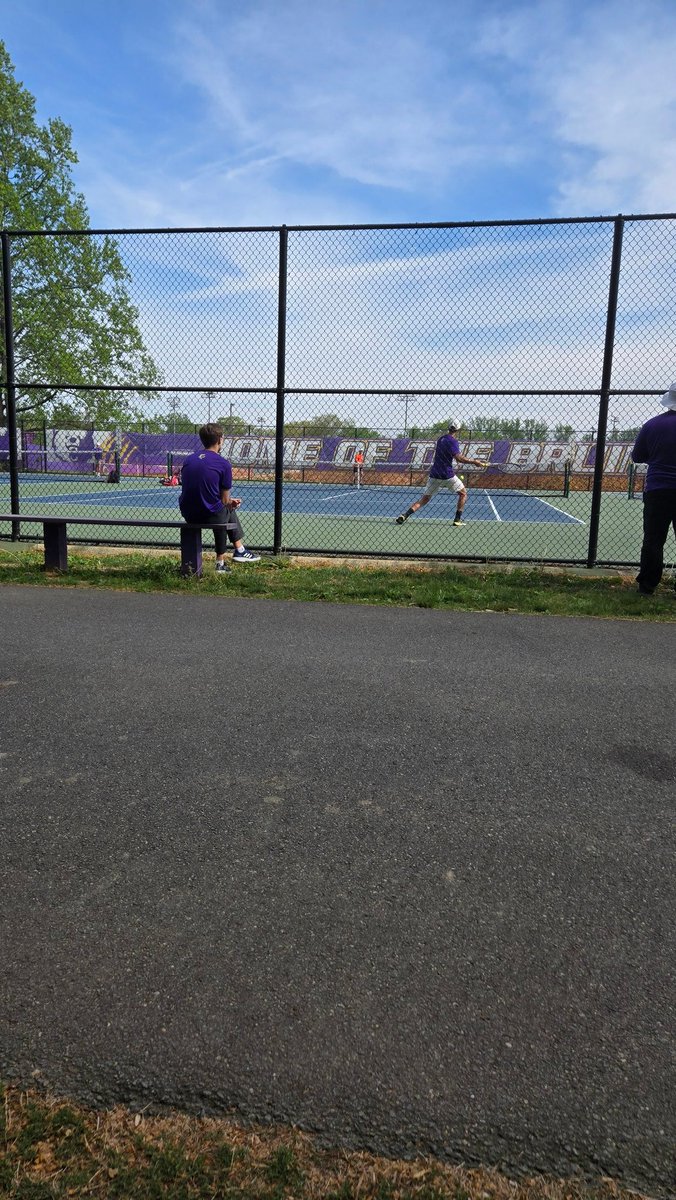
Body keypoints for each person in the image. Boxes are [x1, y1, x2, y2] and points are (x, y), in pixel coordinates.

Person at [179, 423, 261, 572]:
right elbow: (224, 500)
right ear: (219, 440)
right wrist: (231, 503)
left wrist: (226, 502)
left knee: (222, 508)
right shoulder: (223, 464)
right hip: (210, 516)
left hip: (188, 514)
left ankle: (239, 550)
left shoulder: (189, 460)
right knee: (226, 509)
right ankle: (222, 562)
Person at [395, 423, 488, 527]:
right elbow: (459, 458)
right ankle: (457, 520)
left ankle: (405, 515)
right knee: (463, 494)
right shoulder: (453, 441)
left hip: (434, 474)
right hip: (447, 475)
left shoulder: (441, 439)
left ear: (449, 428)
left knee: (424, 499)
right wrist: (475, 462)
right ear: (458, 430)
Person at [631, 384, 676, 595]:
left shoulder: (652, 425)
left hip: (658, 489)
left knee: (654, 539)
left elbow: (638, 456)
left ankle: (647, 585)